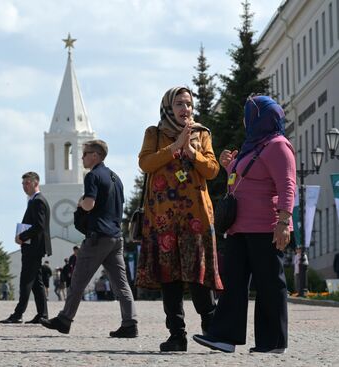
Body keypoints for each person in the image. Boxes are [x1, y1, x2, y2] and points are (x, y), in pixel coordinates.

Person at [193, 95, 295, 354]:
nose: (244, 119)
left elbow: (287, 186)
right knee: (234, 283)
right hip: (238, 227)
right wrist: (229, 169)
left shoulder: (278, 145)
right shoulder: (253, 145)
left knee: (269, 284)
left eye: (248, 114)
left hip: (265, 227)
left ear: (260, 118)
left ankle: (272, 342)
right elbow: (242, 184)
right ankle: (224, 337)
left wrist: (283, 222)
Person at [138, 86, 222, 352]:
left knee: (198, 274)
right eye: (179, 104)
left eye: (188, 104)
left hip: (195, 216)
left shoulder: (202, 133)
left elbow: (212, 170)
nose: (185, 109)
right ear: (168, 107)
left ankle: (212, 329)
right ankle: (177, 335)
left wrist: (191, 151)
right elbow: (145, 164)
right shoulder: (155, 133)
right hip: (162, 217)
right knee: (169, 277)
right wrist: (174, 147)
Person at [41, 140, 138, 338]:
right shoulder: (115, 177)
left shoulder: (92, 175)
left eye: (85, 154)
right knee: (121, 283)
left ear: (95, 155)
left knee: (77, 280)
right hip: (116, 237)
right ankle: (130, 323)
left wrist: (79, 204)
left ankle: (64, 319)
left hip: (98, 237)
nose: (82, 157)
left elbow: (89, 204)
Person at [1, 171, 51, 324]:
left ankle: (18, 315)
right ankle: (42, 314)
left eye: (27, 183)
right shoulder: (33, 200)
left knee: (26, 281)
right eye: (23, 183)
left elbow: (39, 226)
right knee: (36, 283)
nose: (24, 186)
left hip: (34, 247)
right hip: (32, 247)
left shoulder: (38, 201)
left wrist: (21, 237)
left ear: (36, 183)